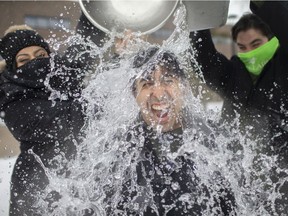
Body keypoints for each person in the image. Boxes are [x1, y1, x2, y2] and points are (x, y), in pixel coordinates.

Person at [102, 47, 237, 215]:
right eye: (147, 83)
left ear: (184, 87)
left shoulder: (214, 139)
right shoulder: (119, 150)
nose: (158, 94)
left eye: (168, 80)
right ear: (134, 93)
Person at [189, 1, 288, 214]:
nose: (249, 53)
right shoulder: (235, 74)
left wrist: (262, 3)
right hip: (237, 187)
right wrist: (197, 11)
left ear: (275, 41)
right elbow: (205, 62)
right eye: (242, 47)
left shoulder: (284, 69)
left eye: (256, 44)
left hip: (280, 189)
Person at [0, 25, 86, 216]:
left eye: (40, 55)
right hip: (36, 194)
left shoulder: (66, 78)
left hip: (81, 188)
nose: (35, 62)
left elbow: (88, 33)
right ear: (13, 68)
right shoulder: (12, 101)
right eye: (24, 60)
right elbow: (72, 120)